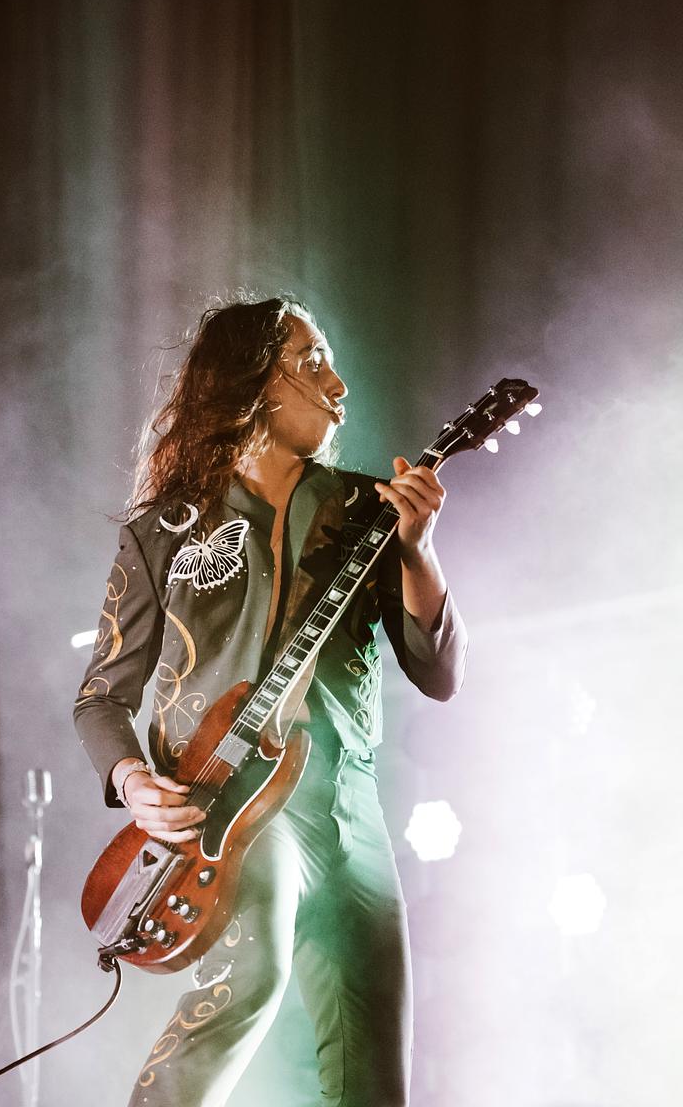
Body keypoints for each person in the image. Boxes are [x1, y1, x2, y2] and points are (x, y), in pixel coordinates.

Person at [73, 295, 467, 1107]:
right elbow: (102, 698)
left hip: (349, 807)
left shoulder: (369, 509)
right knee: (250, 978)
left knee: (374, 1071)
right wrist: (132, 780)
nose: (339, 384)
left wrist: (418, 553)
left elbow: (438, 673)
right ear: (253, 379)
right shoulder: (163, 531)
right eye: (312, 360)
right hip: (237, 807)